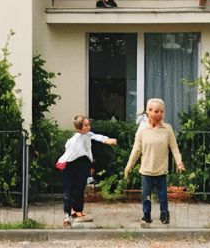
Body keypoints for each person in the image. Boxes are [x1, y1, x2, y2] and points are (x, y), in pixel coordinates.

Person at [124, 98, 184, 227]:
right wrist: (128, 167)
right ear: (148, 111)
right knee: (146, 196)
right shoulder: (142, 129)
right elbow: (136, 149)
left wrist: (179, 162)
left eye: (162, 111)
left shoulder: (167, 129)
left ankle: (164, 214)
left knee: (163, 196)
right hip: (146, 171)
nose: (160, 114)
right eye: (157, 111)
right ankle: (146, 215)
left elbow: (174, 147)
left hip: (161, 170)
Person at [57, 115, 117, 228]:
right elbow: (70, 152)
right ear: (80, 126)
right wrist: (109, 141)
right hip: (72, 164)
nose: (89, 127)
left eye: (89, 124)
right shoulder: (74, 139)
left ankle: (75, 211)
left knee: (78, 189)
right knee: (70, 190)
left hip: (80, 163)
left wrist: (108, 140)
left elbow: (97, 137)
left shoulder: (85, 136)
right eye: (86, 125)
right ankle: (68, 214)